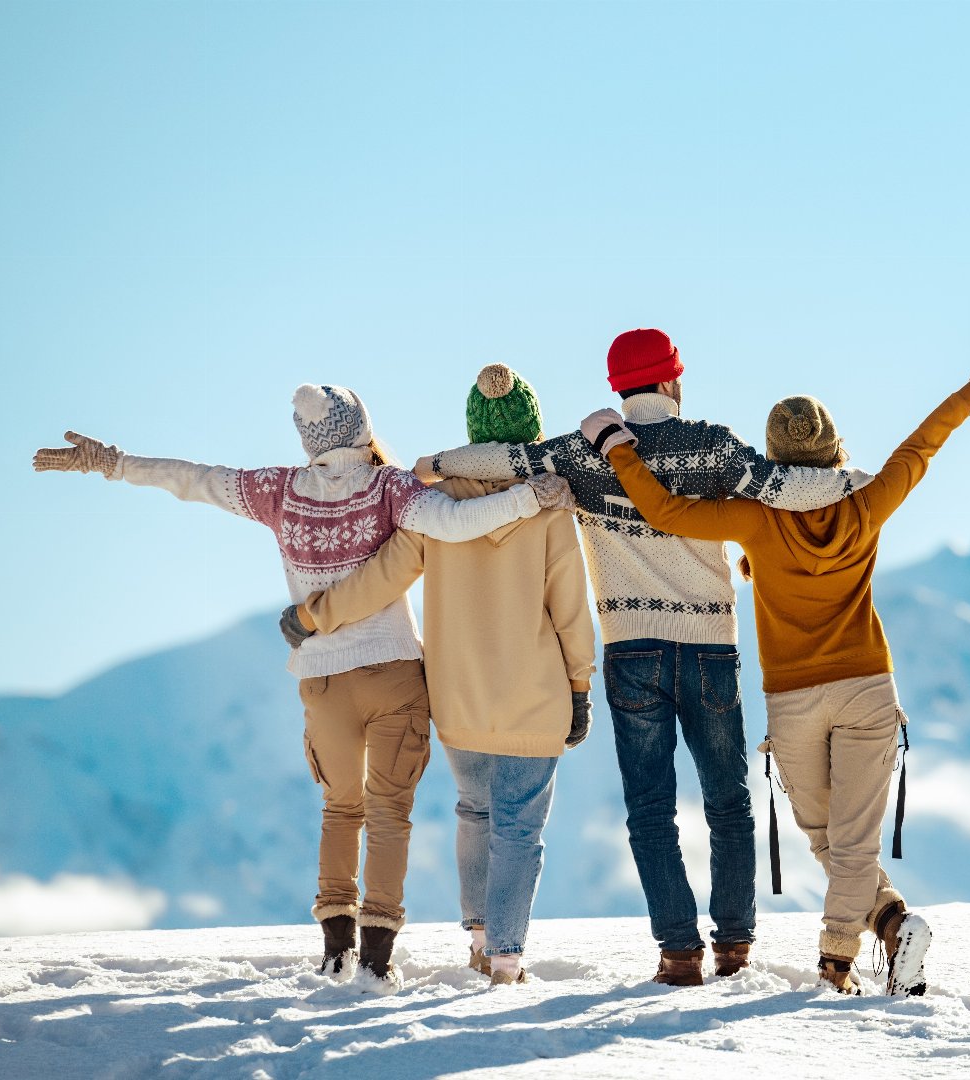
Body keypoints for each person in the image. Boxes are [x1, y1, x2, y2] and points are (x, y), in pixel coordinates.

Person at [32, 384, 572, 992]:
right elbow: (456, 521)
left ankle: (336, 950)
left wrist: (113, 463)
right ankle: (377, 958)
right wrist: (530, 498)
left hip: (322, 678)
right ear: (361, 425)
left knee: (341, 810)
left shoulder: (279, 491)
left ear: (308, 438)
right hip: (394, 670)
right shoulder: (391, 488)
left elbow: (196, 479)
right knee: (390, 815)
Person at [578, 302, 970, 995]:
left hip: (792, 702)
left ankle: (836, 964)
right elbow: (924, 443)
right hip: (868, 691)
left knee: (831, 841)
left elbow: (664, 512)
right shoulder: (866, 503)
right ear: (835, 451)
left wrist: (615, 447)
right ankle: (893, 926)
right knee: (841, 844)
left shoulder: (755, 520)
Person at [420, 330, 870, 985]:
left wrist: (435, 463)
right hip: (711, 647)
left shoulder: (580, 454)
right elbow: (782, 487)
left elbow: (502, 458)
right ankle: (735, 946)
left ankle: (679, 952)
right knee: (727, 803)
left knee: (651, 808)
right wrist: (860, 482)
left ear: (620, 390)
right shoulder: (713, 443)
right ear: (672, 382)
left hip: (631, 650)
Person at [285, 365, 596, 987]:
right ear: (528, 431)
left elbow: (381, 580)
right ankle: (506, 960)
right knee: (518, 827)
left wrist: (313, 615)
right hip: (533, 697)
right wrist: (581, 687)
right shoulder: (549, 506)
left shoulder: (435, 505)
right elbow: (570, 612)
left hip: (454, 698)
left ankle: (481, 943)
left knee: (475, 814)